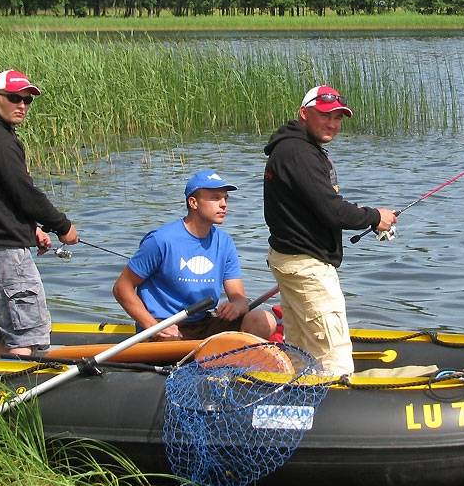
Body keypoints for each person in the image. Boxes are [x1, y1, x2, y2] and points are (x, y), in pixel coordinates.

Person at [263, 85, 397, 375]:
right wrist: (375, 217)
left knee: (301, 350)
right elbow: (331, 209)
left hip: (290, 261)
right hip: (308, 267)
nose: (333, 124)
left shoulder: (291, 149)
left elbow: (320, 205)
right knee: (333, 353)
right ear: (304, 114)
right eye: (325, 116)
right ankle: (338, 408)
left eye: (338, 118)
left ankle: (299, 403)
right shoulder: (299, 153)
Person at [0, 69, 78, 357]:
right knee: (27, 337)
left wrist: (31, 229)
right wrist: (61, 225)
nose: (22, 105)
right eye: (14, 98)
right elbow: (25, 193)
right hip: (4, 255)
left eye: (27, 101)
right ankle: (24, 398)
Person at [112, 170, 276, 341]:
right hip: (164, 325)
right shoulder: (161, 240)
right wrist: (152, 325)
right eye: (215, 198)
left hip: (204, 322)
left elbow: (239, 298)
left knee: (264, 321)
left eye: (225, 198)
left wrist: (235, 306)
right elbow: (122, 288)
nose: (223, 204)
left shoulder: (225, 242)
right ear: (193, 202)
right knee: (170, 339)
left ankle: (235, 362)